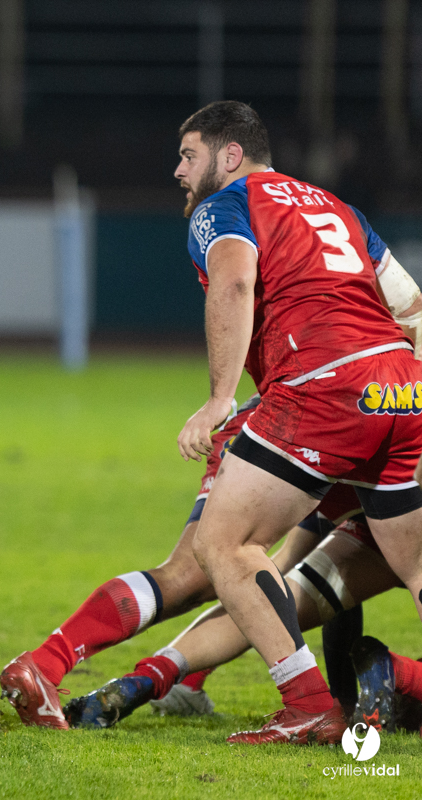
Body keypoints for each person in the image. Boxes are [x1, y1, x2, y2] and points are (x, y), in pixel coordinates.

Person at [173, 100, 422, 745]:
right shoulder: (336, 206)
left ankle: (307, 701)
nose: (178, 170)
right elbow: (410, 305)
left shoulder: (225, 205)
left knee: (222, 545)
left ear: (230, 156)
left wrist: (218, 398)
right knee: (419, 569)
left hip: (322, 388)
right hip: (400, 389)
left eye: (189, 155)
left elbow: (232, 284)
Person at [0, 395, 331, 728]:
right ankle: (47, 663)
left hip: (292, 416)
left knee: (201, 576)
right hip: (316, 421)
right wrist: (220, 396)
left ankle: (62, 664)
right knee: (202, 572)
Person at [61, 485, 408, 729]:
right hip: (401, 511)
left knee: (281, 596)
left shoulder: (328, 421)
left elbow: (280, 569)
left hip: (361, 523)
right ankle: (395, 672)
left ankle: (149, 676)